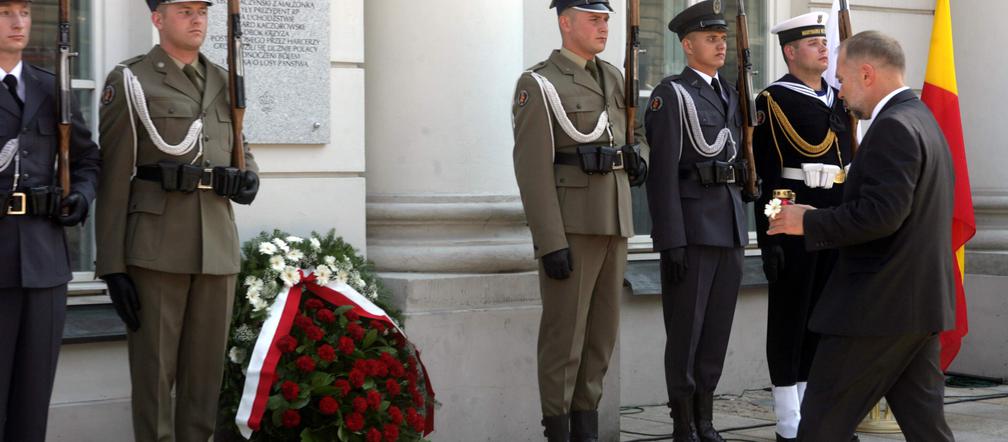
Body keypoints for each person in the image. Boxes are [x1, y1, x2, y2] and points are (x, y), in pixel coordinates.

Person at [768, 30, 955, 442]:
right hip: (915, 307)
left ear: (867, 73)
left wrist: (809, 222)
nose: (840, 89)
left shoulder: (893, 127)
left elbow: (882, 216)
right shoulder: (922, 119)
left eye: (843, 78)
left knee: (820, 427)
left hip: (876, 310)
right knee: (927, 430)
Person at [95, 1, 259, 440]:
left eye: (202, 10)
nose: (197, 19)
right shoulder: (131, 80)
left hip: (216, 249)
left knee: (204, 384)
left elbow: (243, 151)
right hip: (157, 247)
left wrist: (248, 180)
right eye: (183, 10)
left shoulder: (225, 81)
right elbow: (114, 178)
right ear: (158, 18)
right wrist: (112, 265)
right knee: (154, 379)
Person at [511, 0, 647, 440]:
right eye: (594, 19)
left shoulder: (613, 76)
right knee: (564, 340)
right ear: (565, 22)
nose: (603, 27)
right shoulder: (539, 83)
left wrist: (638, 157)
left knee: (600, 338)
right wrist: (550, 241)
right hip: (572, 227)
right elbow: (533, 171)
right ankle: (558, 429)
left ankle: (587, 426)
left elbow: (635, 134)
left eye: (606, 19)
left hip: (615, 221)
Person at [644, 1, 750, 440]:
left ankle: (705, 418)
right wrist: (671, 240)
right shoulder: (671, 94)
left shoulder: (730, 91)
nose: (720, 44)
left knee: (716, 331)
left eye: (723, 38)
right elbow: (662, 173)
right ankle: (683, 423)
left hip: (728, 225)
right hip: (691, 227)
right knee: (686, 332)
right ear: (688, 46)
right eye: (711, 38)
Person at [0, 1, 100, 439]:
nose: (18, 22)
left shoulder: (49, 87)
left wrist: (80, 193)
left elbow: (88, 158)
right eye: (4, 11)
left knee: (32, 402)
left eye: (23, 11)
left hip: (44, 263)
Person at [752, 12, 852, 441]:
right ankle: (788, 422)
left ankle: (816, 416)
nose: (823, 49)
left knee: (827, 319)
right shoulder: (774, 101)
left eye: (824, 42)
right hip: (795, 223)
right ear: (791, 52)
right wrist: (772, 233)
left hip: (838, 220)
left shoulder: (841, 97)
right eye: (813, 44)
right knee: (791, 320)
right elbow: (769, 175)